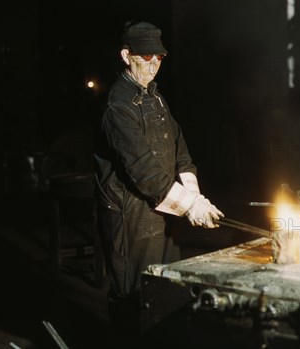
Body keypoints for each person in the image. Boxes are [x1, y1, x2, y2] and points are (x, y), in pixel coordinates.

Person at [94, 20, 224, 336]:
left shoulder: (153, 95)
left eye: (159, 58)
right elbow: (144, 171)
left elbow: (178, 144)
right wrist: (189, 206)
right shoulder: (118, 107)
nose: (154, 65)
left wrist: (194, 194)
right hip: (131, 216)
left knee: (165, 288)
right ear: (127, 55)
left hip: (163, 208)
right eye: (146, 57)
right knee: (133, 296)